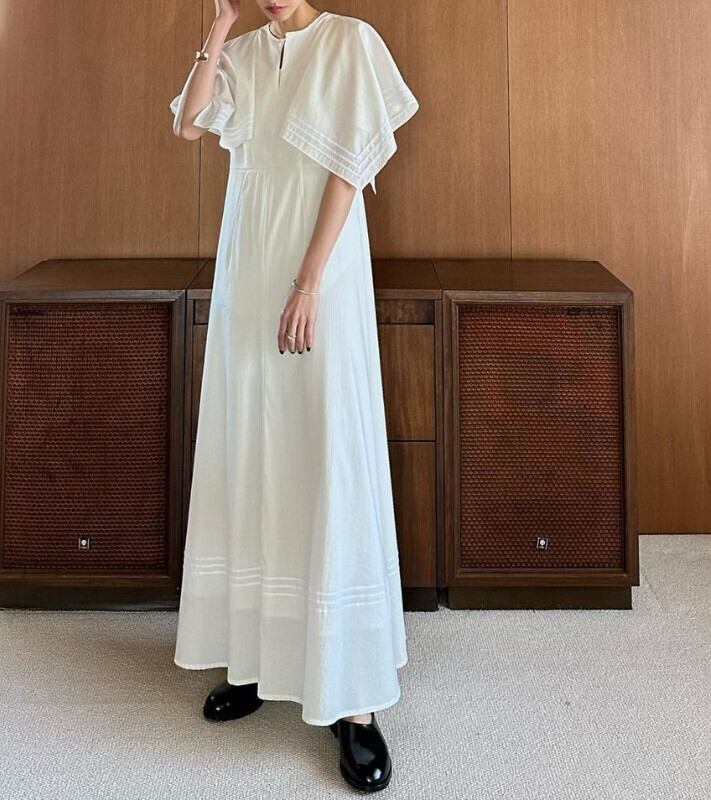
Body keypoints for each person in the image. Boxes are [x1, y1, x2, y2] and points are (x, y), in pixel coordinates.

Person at [169, 0, 419, 791]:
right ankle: (254, 658)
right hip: (248, 265)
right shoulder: (242, 50)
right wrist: (218, 27)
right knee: (253, 449)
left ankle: (355, 704)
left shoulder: (351, 42)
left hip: (321, 272)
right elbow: (190, 124)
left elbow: (348, 171)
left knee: (326, 455)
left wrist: (309, 282)